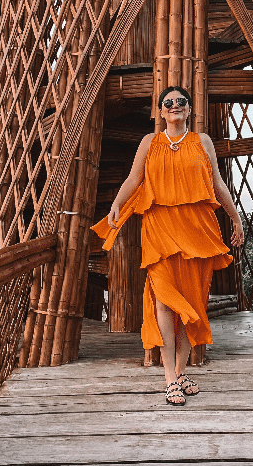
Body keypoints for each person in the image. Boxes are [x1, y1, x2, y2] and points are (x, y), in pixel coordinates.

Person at [91, 85, 244, 406]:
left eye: (181, 102)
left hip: (198, 231)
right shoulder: (150, 142)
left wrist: (237, 218)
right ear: (160, 112)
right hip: (159, 228)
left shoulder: (202, 142)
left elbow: (217, 184)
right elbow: (134, 179)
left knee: (192, 303)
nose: (174, 106)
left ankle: (181, 370)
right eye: (168, 103)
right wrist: (116, 205)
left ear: (189, 110)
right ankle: (169, 378)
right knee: (163, 299)